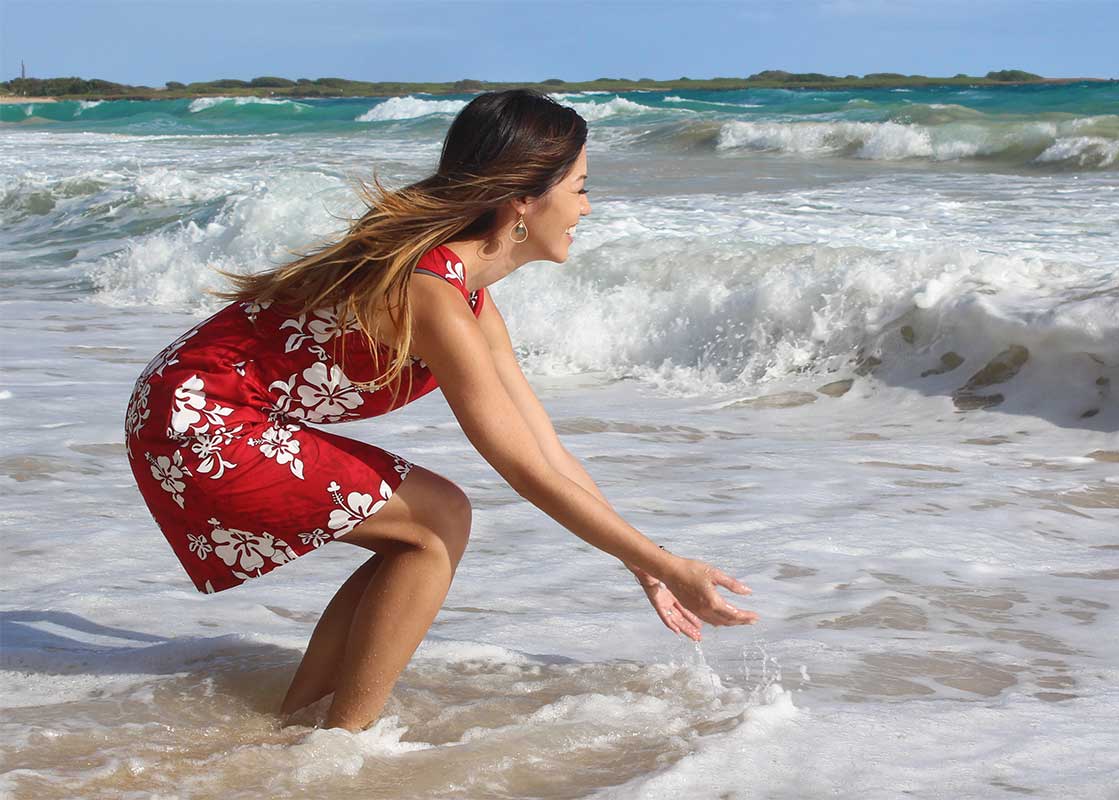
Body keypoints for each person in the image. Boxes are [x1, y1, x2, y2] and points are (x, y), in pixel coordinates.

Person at [124, 89, 758, 732]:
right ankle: (343, 744)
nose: (587, 208)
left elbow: (548, 452)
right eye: (581, 187)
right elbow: (521, 469)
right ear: (523, 200)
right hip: (198, 417)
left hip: (199, 408)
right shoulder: (434, 295)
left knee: (416, 536)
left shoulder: (469, 300)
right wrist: (669, 567)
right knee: (438, 518)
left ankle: (305, 728)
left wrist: (648, 563)